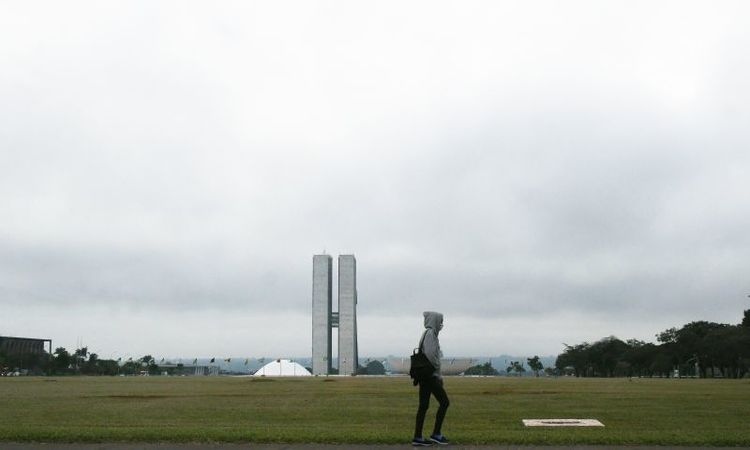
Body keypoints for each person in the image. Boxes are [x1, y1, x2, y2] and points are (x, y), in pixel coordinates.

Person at [412, 311, 450, 446]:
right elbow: (432, 357)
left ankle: (418, 437)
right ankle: (436, 434)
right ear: (434, 321)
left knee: (423, 406)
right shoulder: (430, 335)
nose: (441, 325)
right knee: (445, 402)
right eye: (440, 321)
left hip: (425, 376)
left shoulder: (427, 334)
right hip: (430, 376)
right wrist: (438, 375)